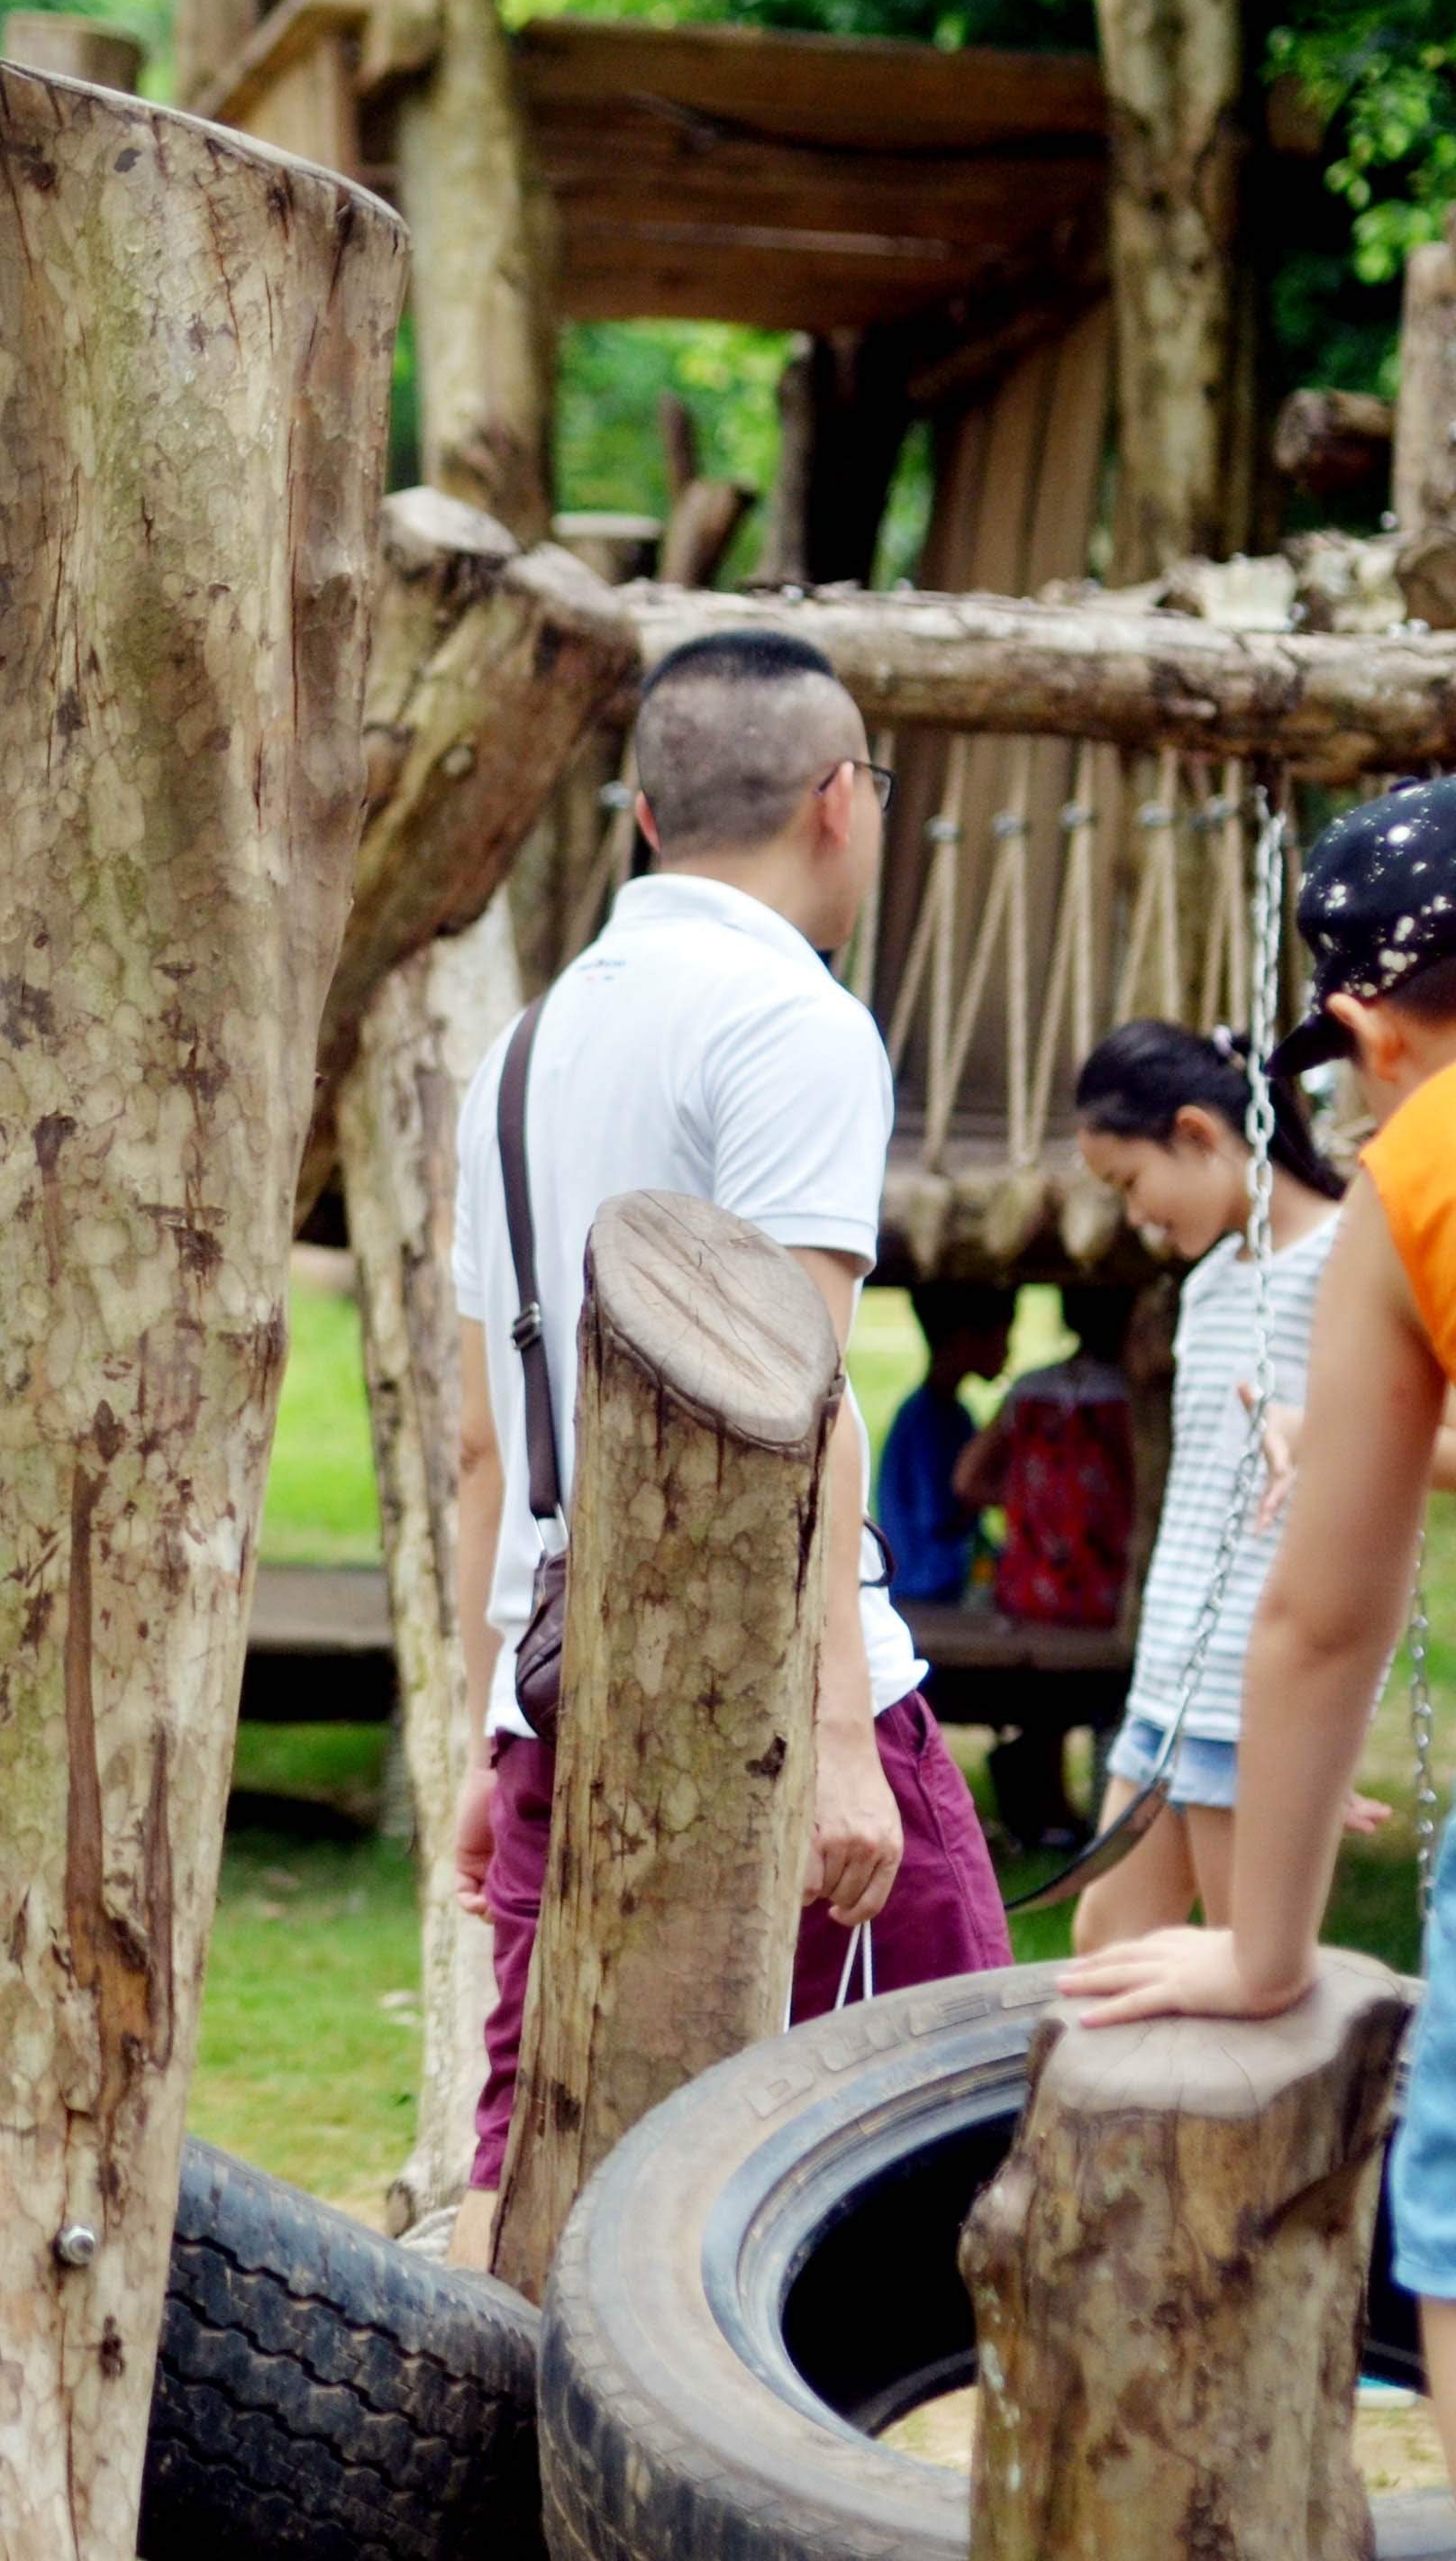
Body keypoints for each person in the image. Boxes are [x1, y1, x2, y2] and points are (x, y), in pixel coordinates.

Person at [446, 629, 1012, 2274]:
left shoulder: (523, 1044)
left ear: (638, 810)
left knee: (535, 2150)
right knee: (963, 2129)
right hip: (767, 1692)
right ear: (841, 798)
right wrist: (839, 1737)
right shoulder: (794, 1022)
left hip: (559, 1680)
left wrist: (490, 1719)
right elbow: (807, 1397)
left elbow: (487, 1425)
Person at [1069, 779, 1456, 2458]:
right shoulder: (1235, 1269)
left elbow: (1319, 1612)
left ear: (1366, 1026)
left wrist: (1272, 1946)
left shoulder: (1404, 1186)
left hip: (1232, 1705)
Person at [1060, 1019, 1346, 1947]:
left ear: (1195, 1132)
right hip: (1170, 1678)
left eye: (1129, 1185)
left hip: (1255, 1685)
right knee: (1104, 1946)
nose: (1136, 1218)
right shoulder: (1211, 1282)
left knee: (1246, 1971)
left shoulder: (1351, 1260)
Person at [952, 1280, 1137, 1630]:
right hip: (1104, 1599)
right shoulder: (1131, 1399)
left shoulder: (1028, 1391)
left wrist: (1036, 1500)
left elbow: (967, 1480)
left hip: (1026, 1594)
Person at [874, 1281, 1015, 1606]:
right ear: (964, 1340)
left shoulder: (952, 1413)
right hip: (926, 1589)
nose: (1008, 1351)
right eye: (1003, 1337)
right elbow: (939, 1517)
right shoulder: (926, 1418)